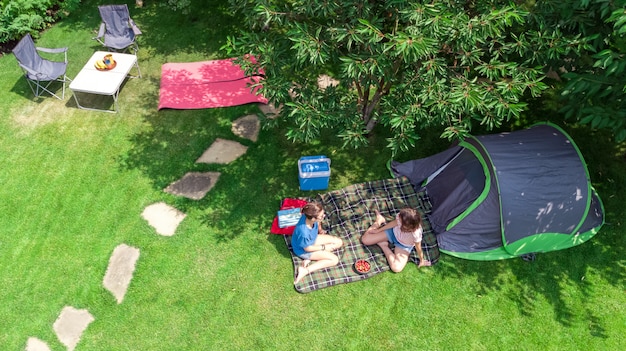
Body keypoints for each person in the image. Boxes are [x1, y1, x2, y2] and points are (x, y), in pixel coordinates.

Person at [361, 208, 431, 272]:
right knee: (365, 240)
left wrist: (421, 260)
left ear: (407, 226)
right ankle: (379, 220)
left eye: (401, 222)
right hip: (392, 234)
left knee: (396, 268)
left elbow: (418, 247)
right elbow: (394, 223)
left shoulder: (416, 233)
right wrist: (378, 230)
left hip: (403, 246)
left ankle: (384, 246)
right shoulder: (401, 216)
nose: (399, 220)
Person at [291, 202, 343, 284]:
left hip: (313, 239)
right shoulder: (303, 233)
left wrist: (320, 230)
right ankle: (305, 270)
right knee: (334, 260)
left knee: (339, 242)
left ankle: (311, 259)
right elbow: (307, 248)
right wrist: (324, 247)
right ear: (313, 218)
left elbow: (318, 222)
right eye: (321, 216)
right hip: (304, 250)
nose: (324, 216)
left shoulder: (310, 215)